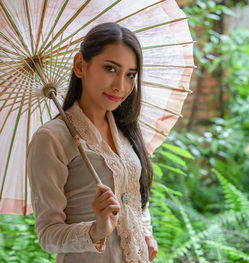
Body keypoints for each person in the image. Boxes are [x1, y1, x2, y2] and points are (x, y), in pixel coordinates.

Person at [27, 23, 158, 263]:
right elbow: (47, 235)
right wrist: (95, 230)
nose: (121, 85)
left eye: (130, 75)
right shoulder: (52, 139)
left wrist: (146, 234)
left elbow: (134, 197)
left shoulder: (125, 132)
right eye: (110, 68)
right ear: (80, 65)